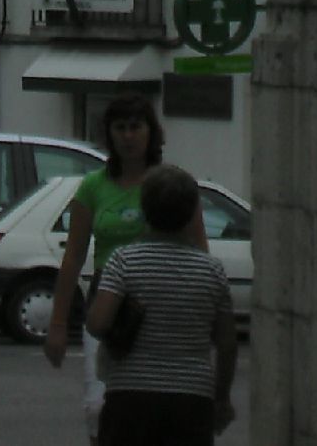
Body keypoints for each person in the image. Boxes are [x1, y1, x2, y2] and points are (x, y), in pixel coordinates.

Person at [43, 95, 205, 439]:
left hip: (162, 299)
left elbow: (199, 249)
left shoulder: (172, 184)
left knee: (154, 403)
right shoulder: (93, 187)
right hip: (108, 300)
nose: (128, 136)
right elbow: (73, 257)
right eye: (120, 128)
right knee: (98, 405)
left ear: (151, 131)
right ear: (109, 134)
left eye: (135, 127)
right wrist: (57, 323)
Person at [82, 165, 236, 444]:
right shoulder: (212, 270)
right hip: (192, 399)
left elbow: (98, 323)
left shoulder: (123, 261)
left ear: (144, 209)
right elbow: (226, 343)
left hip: (129, 396)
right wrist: (222, 397)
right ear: (192, 213)